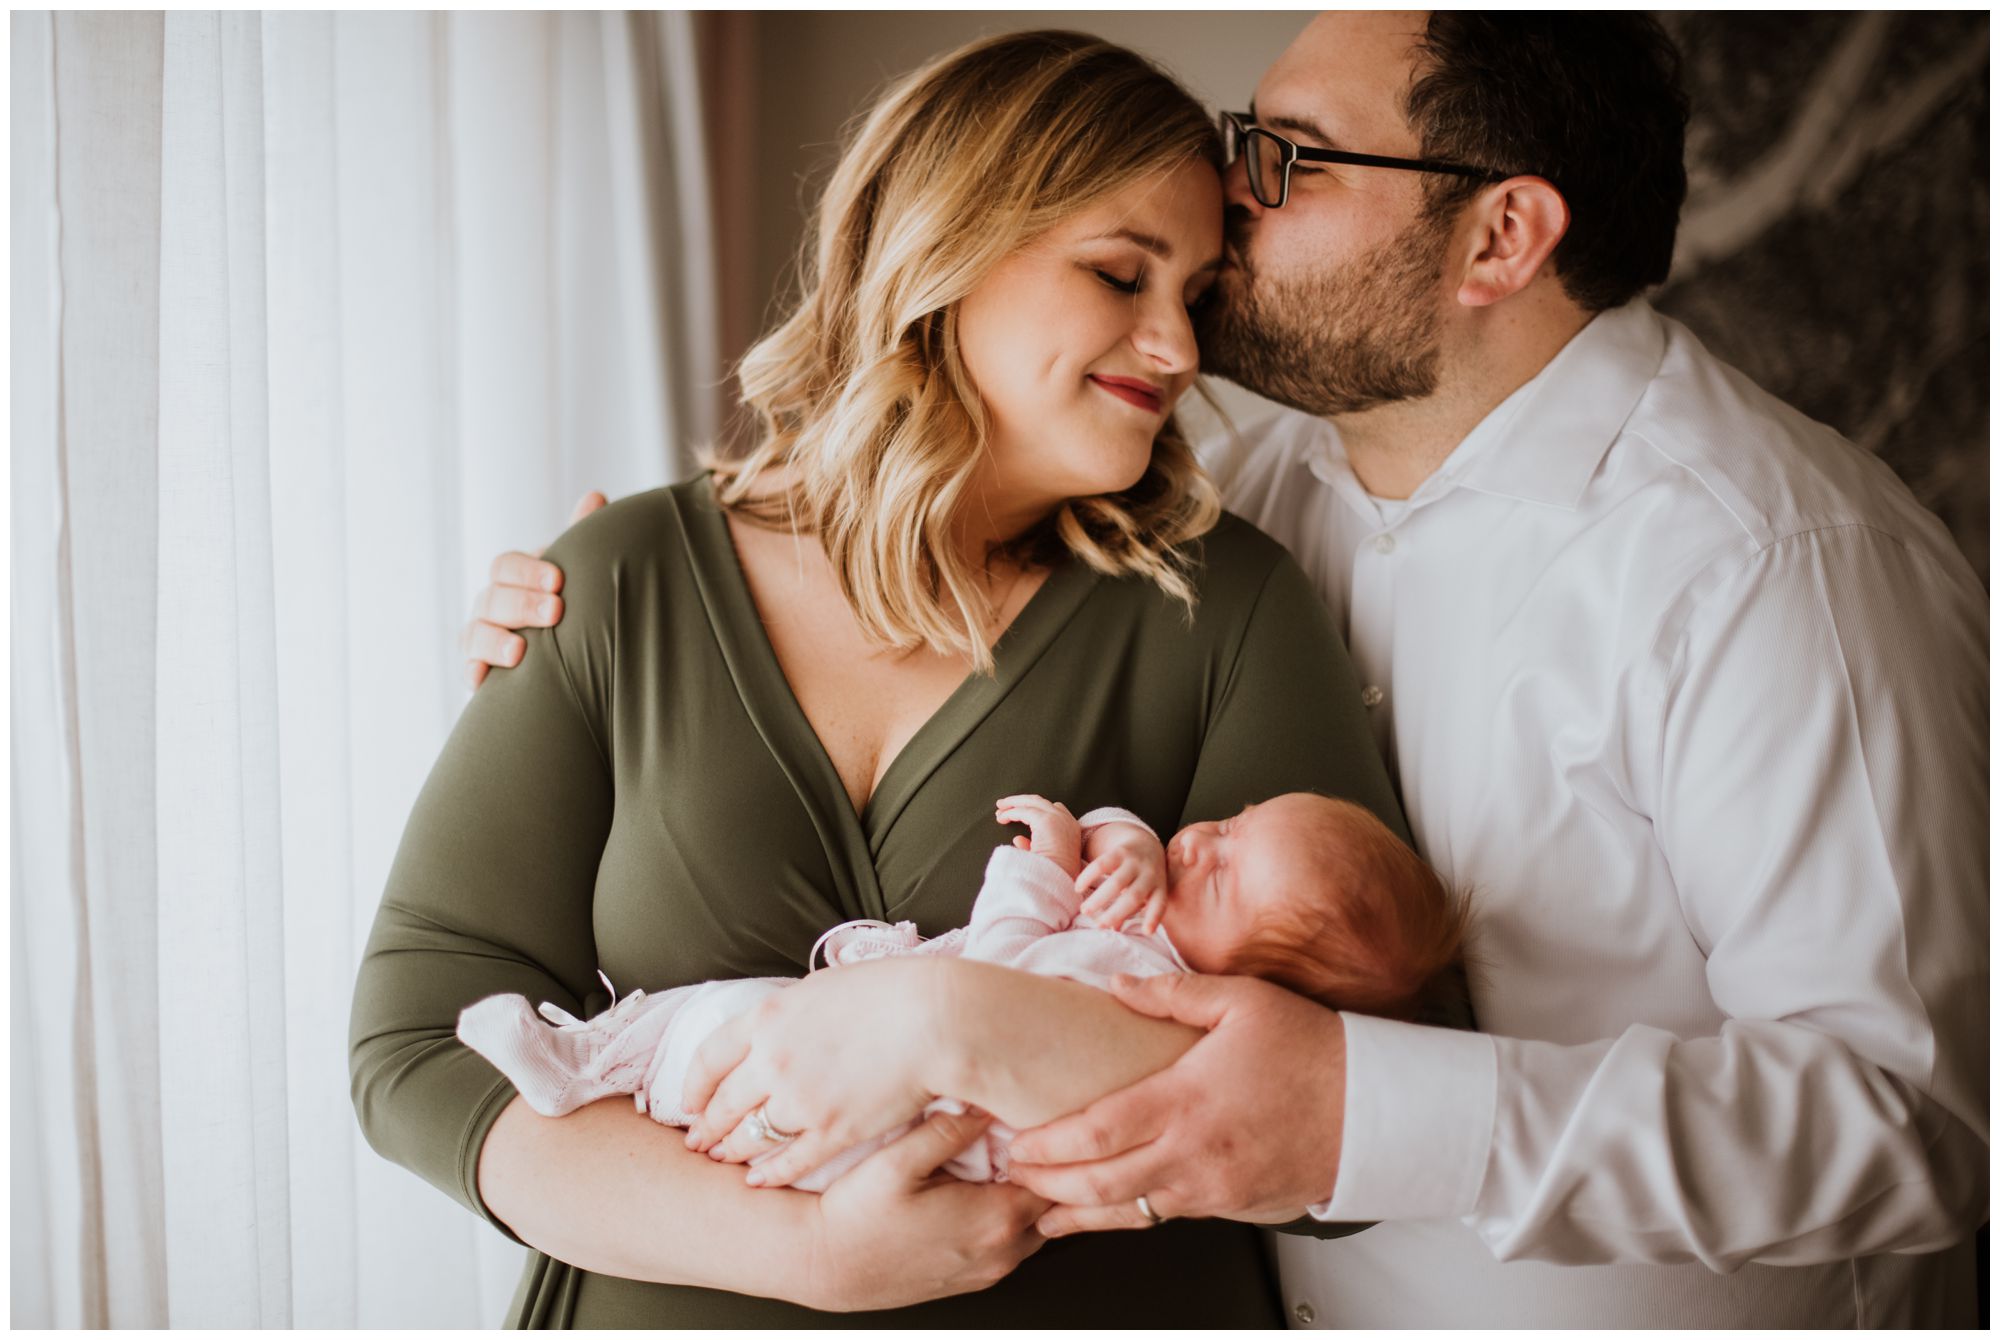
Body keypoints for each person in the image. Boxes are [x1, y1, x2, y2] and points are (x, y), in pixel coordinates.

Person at [467, 13, 1988, 1329]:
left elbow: (1923, 1124)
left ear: (1500, 236)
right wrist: (612, 618)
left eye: (1291, 158)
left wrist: (1352, 1111)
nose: (1231, 190)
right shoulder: (1242, 505)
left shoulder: (1773, 562)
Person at [349, 29, 1411, 1328]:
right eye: (1120, 273)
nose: (1177, 347)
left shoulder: (1226, 607)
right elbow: (415, 1050)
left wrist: (954, 1018)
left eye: (1193, 296)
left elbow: (1364, 1097)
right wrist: (804, 1252)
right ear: (941, 250)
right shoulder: (621, 579)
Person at [454, 791, 1463, 1191]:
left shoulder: (1137, 985)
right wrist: (1125, 838)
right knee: (745, 1019)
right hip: (887, 1107)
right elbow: (1143, 837)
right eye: (1233, 820)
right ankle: (604, 1064)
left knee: (733, 1018)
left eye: (1223, 874)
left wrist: (1042, 861)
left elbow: (999, 977)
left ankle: (595, 1063)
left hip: (899, 1128)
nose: (1201, 840)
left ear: (1251, 982)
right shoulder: (1159, 923)